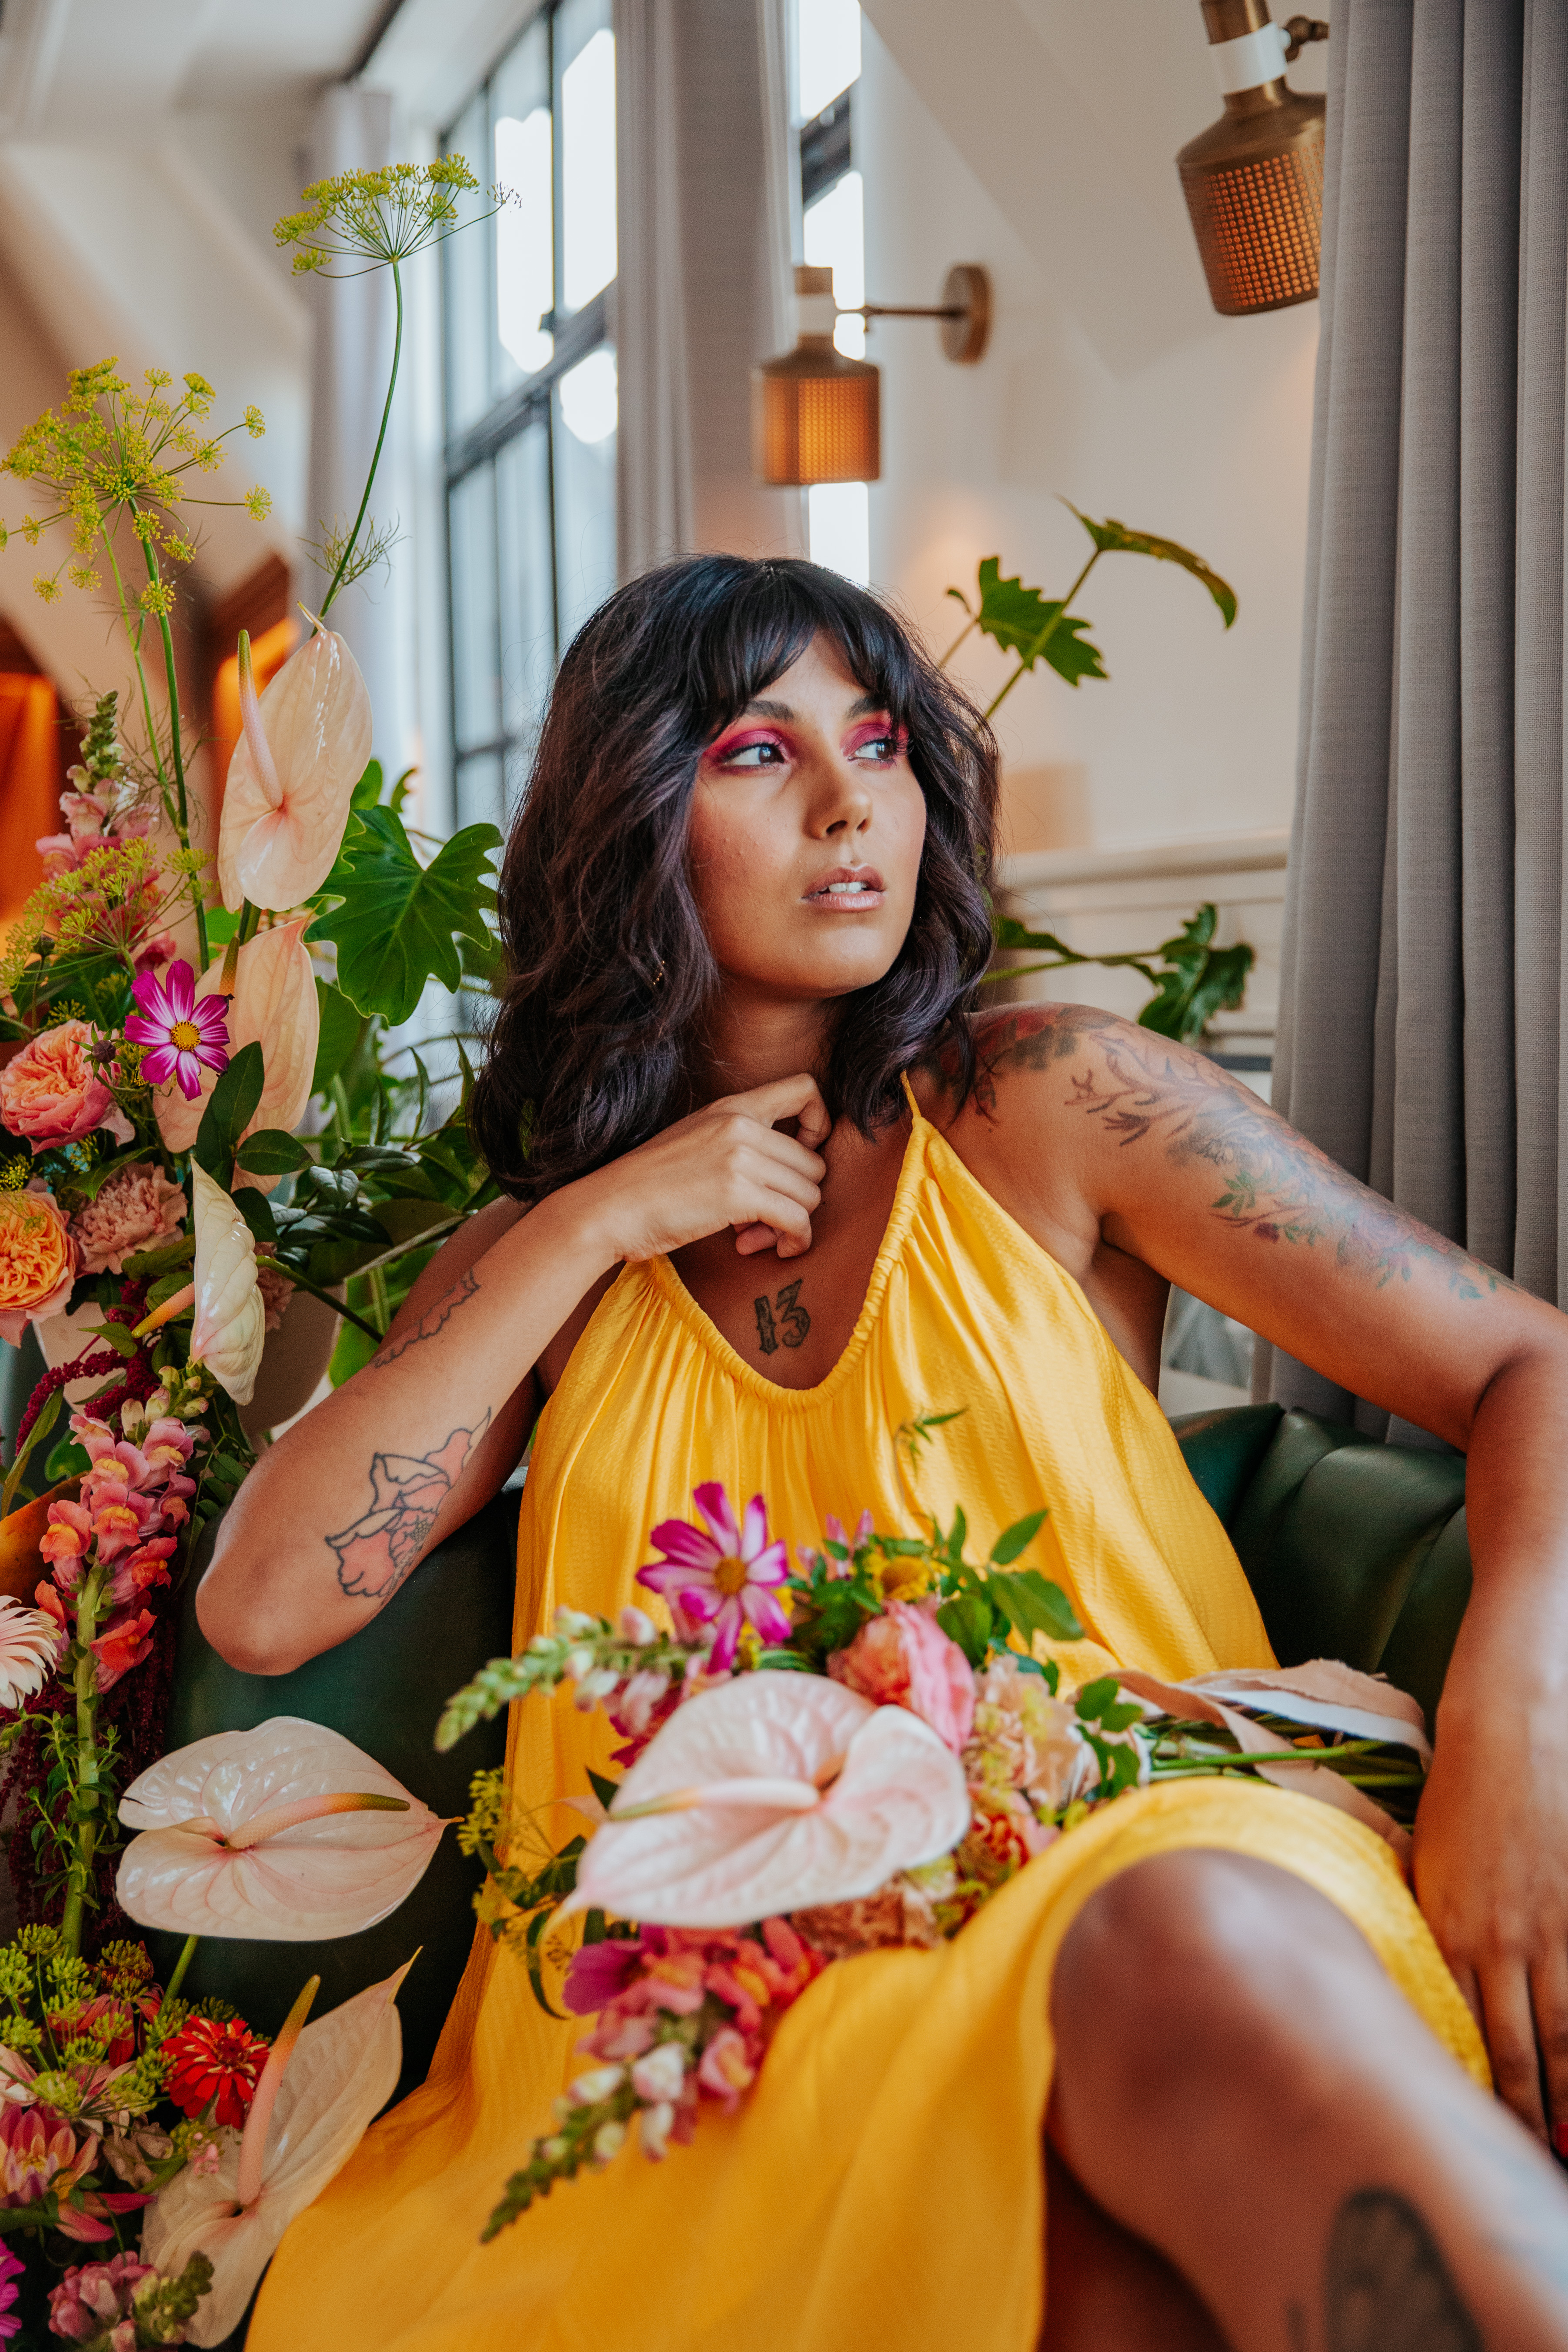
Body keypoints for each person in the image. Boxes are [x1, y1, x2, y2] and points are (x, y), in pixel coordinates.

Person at [209, 555, 1568, 2351]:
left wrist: (1511, 1734)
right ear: (629, 817)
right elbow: (267, 1603)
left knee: (1168, 1954)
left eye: (880, 741)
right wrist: (596, 1219)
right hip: (715, 2030)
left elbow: (1524, 1367)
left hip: (1142, 1879)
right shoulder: (539, 1274)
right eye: (758, 755)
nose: (853, 800)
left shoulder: (1043, 1106)